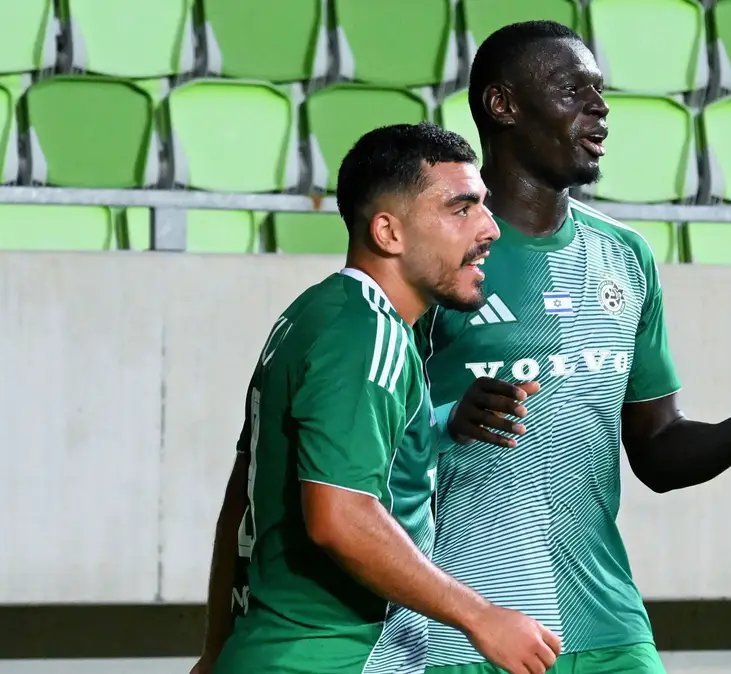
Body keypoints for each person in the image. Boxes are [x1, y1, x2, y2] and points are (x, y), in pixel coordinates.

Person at [418, 22, 731, 674]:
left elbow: (657, 449)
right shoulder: (435, 255)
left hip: (605, 622)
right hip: (463, 629)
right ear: (503, 104)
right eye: (572, 91)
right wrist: (447, 418)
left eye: (599, 90)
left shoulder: (625, 256)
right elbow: (361, 437)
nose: (600, 108)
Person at [192, 123, 561, 674]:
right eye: (461, 209)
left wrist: (217, 646)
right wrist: (480, 616)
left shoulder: (315, 314)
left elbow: (243, 494)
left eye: (483, 206)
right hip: (334, 659)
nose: (489, 228)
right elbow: (339, 516)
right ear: (388, 232)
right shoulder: (367, 334)